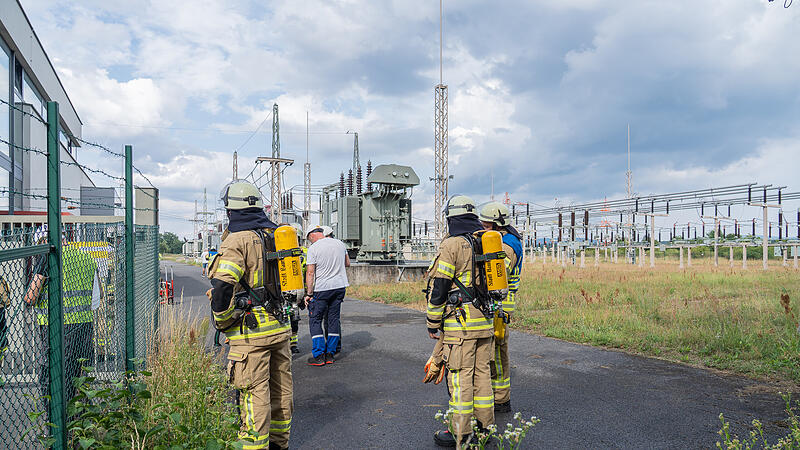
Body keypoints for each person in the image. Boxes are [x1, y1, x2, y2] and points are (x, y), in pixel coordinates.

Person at [207, 181, 293, 450]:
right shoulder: (276, 233)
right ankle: (280, 445)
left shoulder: (237, 240)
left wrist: (222, 320)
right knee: (281, 393)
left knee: (254, 397)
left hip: (250, 334)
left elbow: (222, 286)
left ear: (231, 209)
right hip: (280, 327)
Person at [426, 195, 495, 448]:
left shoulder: (452, 245)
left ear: (451, 218)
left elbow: (440, 286)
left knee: (460, 380)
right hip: (485, 322)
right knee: (482, 378)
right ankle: (484, 429)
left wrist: (433, 321)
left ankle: (461, 434)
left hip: (461, 326)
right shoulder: (485, 241)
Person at [25, 237, 98, 404]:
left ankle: (56, 423)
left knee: (50, 376)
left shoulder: (48, 259)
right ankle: (77, 422)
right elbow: (96, 298)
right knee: (77, 375)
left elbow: (31, 297)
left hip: (56, 328)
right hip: (84, 326)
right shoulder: (87, 258)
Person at [478, 201, 523, 413]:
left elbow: (497, 275)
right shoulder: (508, 239)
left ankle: (500, 398)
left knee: (496, 353)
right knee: (497, 350)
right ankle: (500, 396)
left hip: (499, 306)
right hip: (501, 305)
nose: (482, 228)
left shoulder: (506, 245)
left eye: (485, 225)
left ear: (497, 225)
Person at [302, 224, 349, 366]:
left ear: (311, 235)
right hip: (340, 286)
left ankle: (318, 355)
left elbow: (310, 273)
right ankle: (330, 354)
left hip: (322, 289)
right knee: (333, 319)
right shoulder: (340, 244)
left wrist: (309, 294)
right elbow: (347, 263)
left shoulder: (314, 248)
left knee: (315, 319)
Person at [288, 223, 306, 355]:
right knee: (293, 320)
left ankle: (291, 344)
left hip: (288, 292)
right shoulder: (304, 252)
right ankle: (292, 345)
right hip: (297, 292)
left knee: (291, 320)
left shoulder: (303, 253)